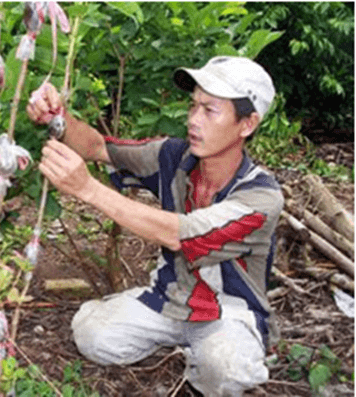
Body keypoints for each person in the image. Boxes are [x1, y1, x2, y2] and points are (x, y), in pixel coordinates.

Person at [26, 56, 283, 397]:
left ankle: (220, 355)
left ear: (247, 124)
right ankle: (185, 347)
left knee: (225, 369)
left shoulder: (261, 197)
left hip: (229, 313)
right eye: (194, 107)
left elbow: (181, 234)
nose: (193, 120)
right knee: (92, 335)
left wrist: (88, 189)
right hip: (169, 301)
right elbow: (98, 147)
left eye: (210, 110)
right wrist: (57, 117)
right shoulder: (173, 157)